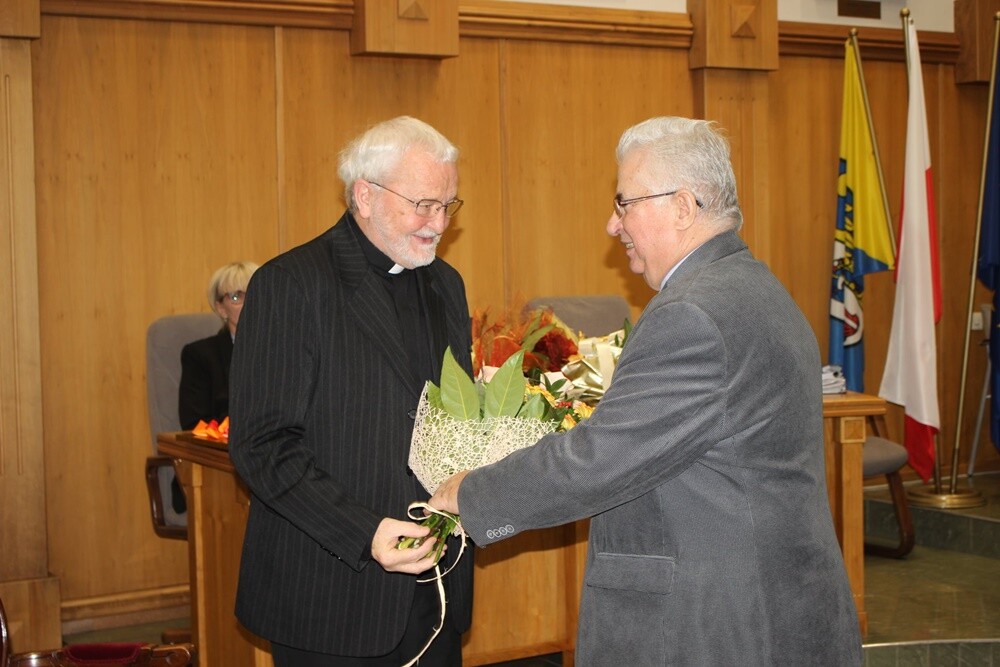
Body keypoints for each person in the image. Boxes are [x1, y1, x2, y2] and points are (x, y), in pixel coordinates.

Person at [431, 117, 863, 665]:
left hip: (719, 625)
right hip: (772, 605)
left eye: (623, 203)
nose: (613, 225)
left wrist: (471, 494)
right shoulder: (753, 285)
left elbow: (597, 461)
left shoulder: (693, 314)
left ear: (682, 207)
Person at [228, 116, 474, 666]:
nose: (438, 224)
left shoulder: (445, 284)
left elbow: (455, 420)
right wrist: (365, 532)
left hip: (436, 592)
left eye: (448, 206)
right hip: (331, 593)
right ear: (365, 194)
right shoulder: (290, 284)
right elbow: (262, 445)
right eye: (424, 204)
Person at [178, 260, 259, 430]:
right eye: (236, 297)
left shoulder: (285, 351)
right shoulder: (200, 356)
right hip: (224, 451)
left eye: (253, 294)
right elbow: (195, 423)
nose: (248, 304)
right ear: (221, 308)